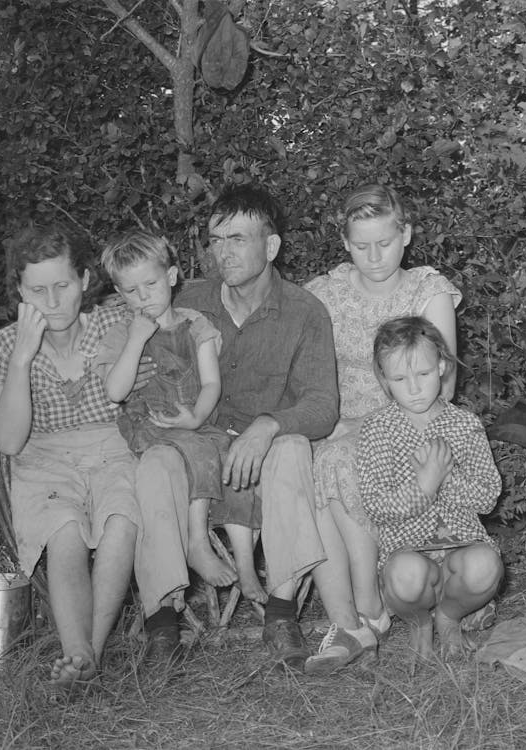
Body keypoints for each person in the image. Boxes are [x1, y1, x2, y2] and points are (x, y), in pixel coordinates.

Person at [132, 183, 338, 672]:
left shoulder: (305, 312)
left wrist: (269, 424)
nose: (222, 252)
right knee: (157, 461)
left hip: (261, 458)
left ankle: (282, 615)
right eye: (215, 240)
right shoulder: (186, 301)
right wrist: (132, 366)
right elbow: (123, 318)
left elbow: (323, 405)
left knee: (291, 449)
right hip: (194, 444)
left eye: (237, 239)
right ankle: (162, 626)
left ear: (271, 246)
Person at [302, 184, 461, 674]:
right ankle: (347, 616)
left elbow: (445, 386)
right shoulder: (324, 293)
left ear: (406, 234)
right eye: (361, 245)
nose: (374, 256)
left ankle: (366, 611)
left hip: (412, 421)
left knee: (335, 457)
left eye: (385, 243)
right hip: (334, 422)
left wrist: (365, 428)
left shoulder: (426, 290)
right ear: (345, 243)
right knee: (305, 457)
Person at [0, 225, 140, 686]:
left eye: (62, 286)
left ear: (85, 280)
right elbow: (8, 442)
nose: (51, 302)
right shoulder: (10, 342)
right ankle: (80, 652)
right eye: (37, 290)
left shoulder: (115, 323)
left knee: (121, 519)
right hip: (43, 457)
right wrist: (22, 361)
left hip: (114, 447)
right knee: (64, 531)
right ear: (19, 290)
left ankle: (83, 657)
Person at [94, 230, 246, 592]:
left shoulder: (196, 325)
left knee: (218, 448)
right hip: (149, 424)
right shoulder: (120, 334)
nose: (143, 296)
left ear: (172, 277)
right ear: (119, 294)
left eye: (151, 283)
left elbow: (211, 384)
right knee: (192, 450)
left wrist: (195, 418)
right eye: (131, 291)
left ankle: (240, 555)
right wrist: (135, 339)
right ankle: (196, 543)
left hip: (191, 421)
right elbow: (115, 392)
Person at [357, 316, 504, 665]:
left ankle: (449, 616)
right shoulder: (378, 429)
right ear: (384, 379)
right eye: (399, 379)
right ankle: (419, 623)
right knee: (406, 575)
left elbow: (488, 495)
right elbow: (377, 505)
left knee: (485, 564)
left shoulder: (464, 424)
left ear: (440, 365)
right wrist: (424, 485)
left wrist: (444, 480)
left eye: (422, 374)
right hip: (406, 552)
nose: (413, 388)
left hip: (461, 549)